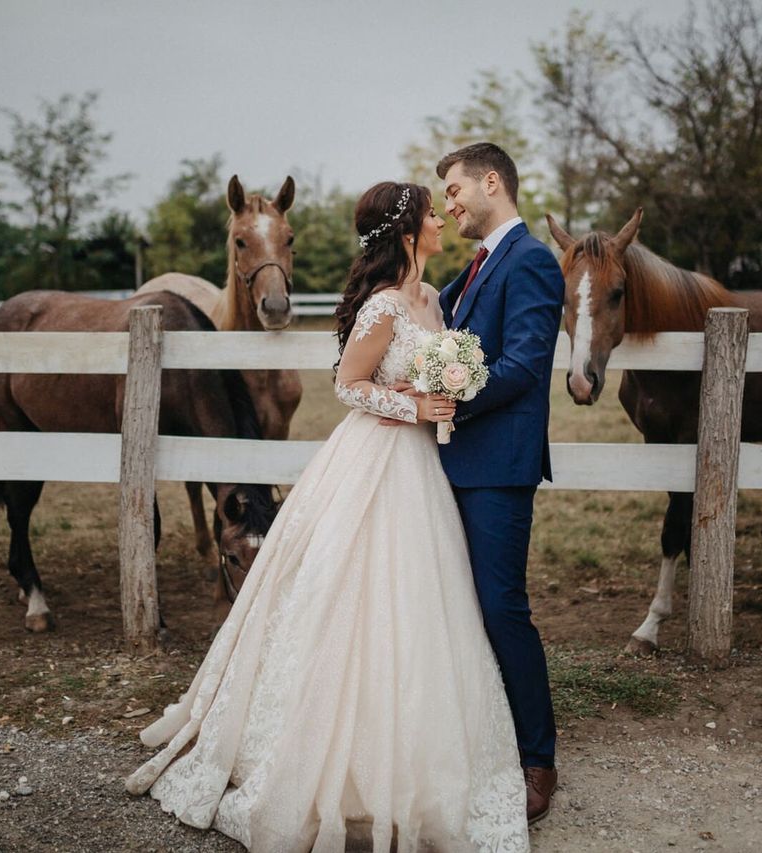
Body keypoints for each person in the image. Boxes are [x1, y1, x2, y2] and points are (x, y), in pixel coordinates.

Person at [124, 181, 531, 853]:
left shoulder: (431, 299)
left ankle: (417, 743)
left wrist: (444, 384)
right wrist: (413, 406)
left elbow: (422, 368)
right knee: (349, 596)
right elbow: (348, 383)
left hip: (423, 471)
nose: (440, 222)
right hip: (374, 459)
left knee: (423, 601)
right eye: (432, 214)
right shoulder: (381, 307)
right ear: (407, 233)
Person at [433, 142, 565, 824]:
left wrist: (450, 393)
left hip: (498, 467)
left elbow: (524, 365)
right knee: (457, 608)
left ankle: (537, 757)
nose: (449, 203)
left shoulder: (534, 261)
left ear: (492, 182)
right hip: (452, 461)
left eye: (455, 189)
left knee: (501, 607)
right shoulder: (476, 267)